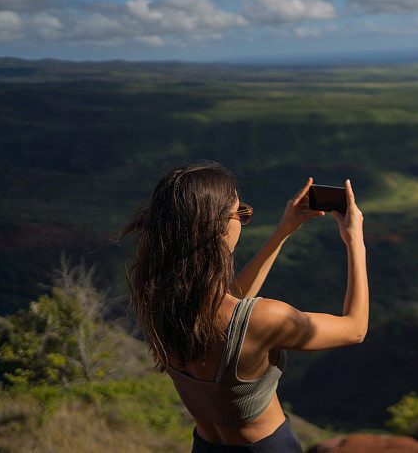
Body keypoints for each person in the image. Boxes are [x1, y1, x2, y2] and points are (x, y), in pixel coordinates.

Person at [118, 161, 368, 452]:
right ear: (219, 227)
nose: (243, 218)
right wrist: (355, 241)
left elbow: (230, 308)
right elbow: (355, 328)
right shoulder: (266, 318)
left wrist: (284, 230)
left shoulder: (160, 302)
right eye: (241, 213)